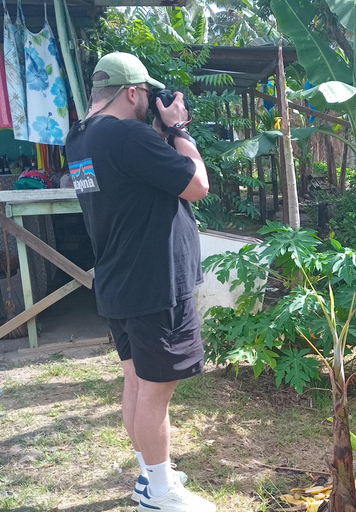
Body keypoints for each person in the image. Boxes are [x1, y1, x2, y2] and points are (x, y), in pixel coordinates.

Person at [65, 52, 214, 512]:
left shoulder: (81, 137)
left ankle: (150, 475)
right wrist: (178, 131)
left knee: (136, 382)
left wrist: (158, 132)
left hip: (120, 279)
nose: (152, 102)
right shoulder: (128, 135)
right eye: (148, 95)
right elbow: (197, 184)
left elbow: (135, 180)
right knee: (155, 391)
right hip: (154, 283)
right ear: (132, 92)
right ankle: (161, 493)